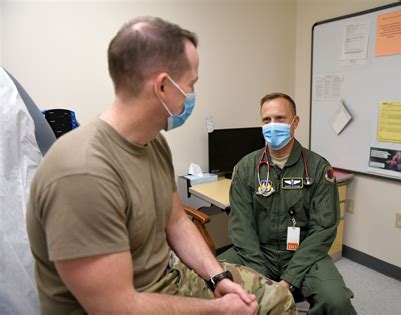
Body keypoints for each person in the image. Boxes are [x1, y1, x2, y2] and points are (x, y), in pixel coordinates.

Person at [26, 17, 296, 315]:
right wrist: (219, 310)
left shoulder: (153, 142)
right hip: (127, 304)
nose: (193, 94)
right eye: (191, 84)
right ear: (163, 86)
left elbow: (176, 221)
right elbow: (116, 307)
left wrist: (217, 277)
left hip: (168, 278)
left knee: (275, 300)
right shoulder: (81, 173)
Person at [218, 93, 357, 315]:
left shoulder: (319, 169)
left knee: (337, 302)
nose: (272, 125)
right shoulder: (246, 168)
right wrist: (262, 277)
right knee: (210, 279)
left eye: (280, 118)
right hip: (257, 252)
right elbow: (241, 228)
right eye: (266, 120)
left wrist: (289, 280)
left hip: (304, 255)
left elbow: (323, 230)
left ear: (295, 122)